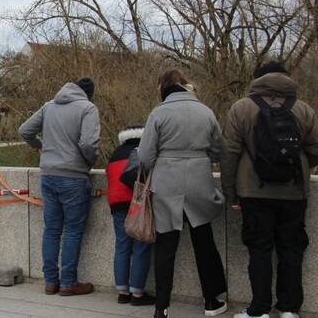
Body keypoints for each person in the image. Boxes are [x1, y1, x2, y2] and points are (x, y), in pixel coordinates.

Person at [220, 62, 318, 318]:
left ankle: (259, 309)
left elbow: (229, 152)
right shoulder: (304, 109)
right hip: (294, 193)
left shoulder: (242, 108)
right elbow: (315, 148)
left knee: (259, 249)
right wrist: (298, 168)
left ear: (257, 80)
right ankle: (289, 309)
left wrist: (231, 192)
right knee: (291, 249)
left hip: (254, 192)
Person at [137, 68, 227, 318]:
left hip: (166, 184)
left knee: (166, 247)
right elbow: (219, 150)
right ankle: (212, 301)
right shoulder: (205, 111)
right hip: (199, 182)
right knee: (204, 241)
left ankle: (161, 308)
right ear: (186, 85)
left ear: (163, 89)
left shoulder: (159, 113)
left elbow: (144, 155)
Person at [18, 76, 100, 296]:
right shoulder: (88, 108)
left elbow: (25, 130)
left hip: (48, 176)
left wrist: (40, 147)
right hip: (73, 177)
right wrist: (88, 162)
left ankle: (51, 282)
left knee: (51, 231)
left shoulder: (49, 106)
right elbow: (89, 144)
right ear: (89, 94)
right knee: (73, 231)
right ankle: (69, 282)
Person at [105, 125, 155, 306]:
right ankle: (137, 294)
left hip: (116, 203)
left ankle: (122, 292)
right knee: (140, 246)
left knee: (122, 247)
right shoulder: (144, 151)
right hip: (137, 203)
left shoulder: (115, 153)